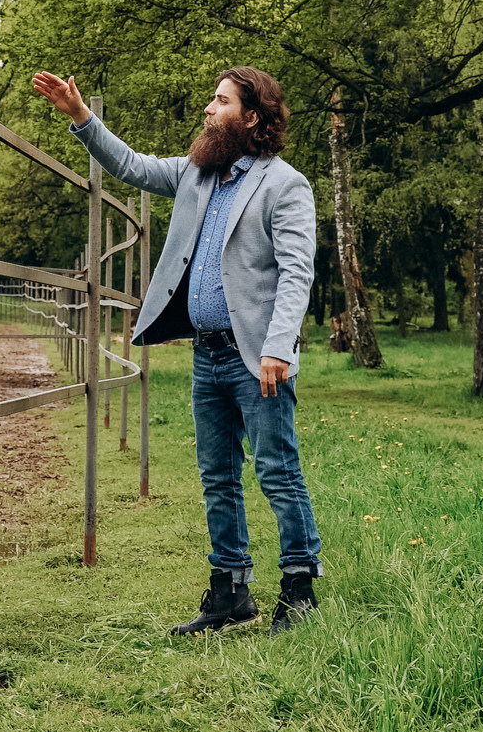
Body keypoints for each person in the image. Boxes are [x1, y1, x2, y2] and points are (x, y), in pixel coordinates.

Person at [28, 65, 324, 635]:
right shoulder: (196, 173)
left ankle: (300, 587)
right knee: (216, 474)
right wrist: (80, 116)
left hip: (256, 358)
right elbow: (133, 166)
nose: (209, 110)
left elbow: (296, 273)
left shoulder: (286, 184)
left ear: (252, 115)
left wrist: (279, 348)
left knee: (276, 470)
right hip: (206, 355)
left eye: (220, 101)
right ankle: (230, 590)